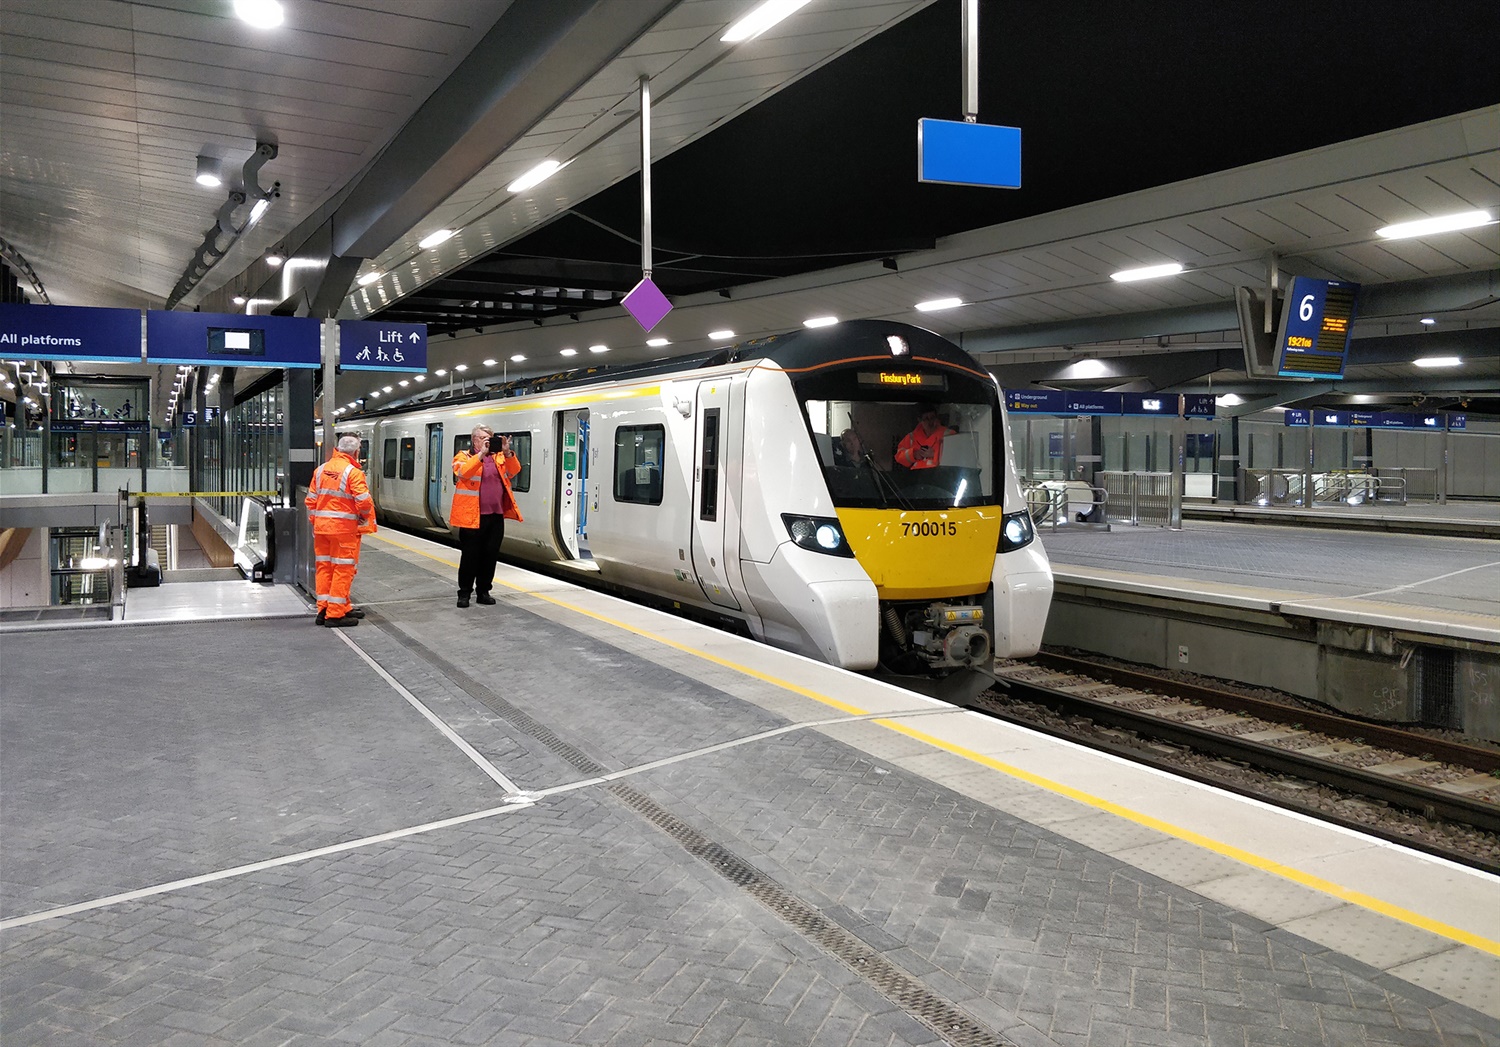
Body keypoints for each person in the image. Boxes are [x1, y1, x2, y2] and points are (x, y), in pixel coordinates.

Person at [304, 433, 375, 627]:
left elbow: (310, 500)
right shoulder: (352, 472)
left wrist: (316, 521)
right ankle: (335, 615)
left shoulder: (320, 470)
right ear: (356, 451)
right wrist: (363, 516)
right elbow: (363, 501)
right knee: (343, 570)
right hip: (343, 531)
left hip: (321, 530)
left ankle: (325, 609)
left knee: (324, 568)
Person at [451, 424, 523, 608]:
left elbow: (514, 471)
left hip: (495, 515)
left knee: (490, 555)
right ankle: (464, 593)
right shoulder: (463, 456)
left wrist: (507, 453)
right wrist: (481, 454)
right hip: (472, 517)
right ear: (474, 439)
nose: (487, 441)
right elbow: (463, 473)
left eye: (489, 438)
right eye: (483, 438)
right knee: (470, 556)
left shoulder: (499, 457)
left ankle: (484, 591)